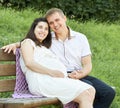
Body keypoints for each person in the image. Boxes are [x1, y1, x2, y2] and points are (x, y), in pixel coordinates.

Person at [2, 8, 115, 108]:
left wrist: (80, 74)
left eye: (57, 20)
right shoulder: (47, 39)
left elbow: (88, 64)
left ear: (64, 18)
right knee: (87, 90)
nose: (55, 25)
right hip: (58, 77)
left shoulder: (80, 38)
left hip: (77, 74)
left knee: (108, 92)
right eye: (51, 23)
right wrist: (16, 44)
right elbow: (30, 42)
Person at [9, 17, 95, 108]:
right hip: (41, 81)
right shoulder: (27, 42)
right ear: (33, 29)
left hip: (52, 79)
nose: (43, 31)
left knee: (91, 90)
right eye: (40, 27)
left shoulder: (42, 46)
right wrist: (52, 72)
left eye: (46, 29)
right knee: (85, 95)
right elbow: (29, 63)